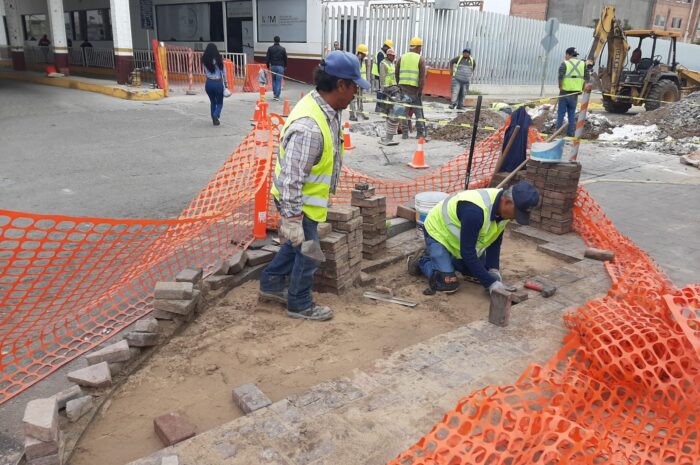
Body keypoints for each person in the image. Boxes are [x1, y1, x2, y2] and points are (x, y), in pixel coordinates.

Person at [259, 51, 370, 321]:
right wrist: (292, 218)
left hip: (306, 198)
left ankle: (272, 283)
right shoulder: (309, 127)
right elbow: (291, 177)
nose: (356, 93)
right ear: (341, 85)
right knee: (309, 253)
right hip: (297, 200)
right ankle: (299, 303)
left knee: (296, 245)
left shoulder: (326, 108)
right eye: (354, 86)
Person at [407, 181, 540, 294]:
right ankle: (423, 260)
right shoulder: (475, 212)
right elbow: (468, 253)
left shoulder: (503, 210)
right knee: (447, 283)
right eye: (516, 214)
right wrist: (490, 283)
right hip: (438, 233)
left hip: (460, 240)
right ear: (506, 202)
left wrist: (493, 270)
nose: (514, 218)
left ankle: (447, 259)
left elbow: (495, 241)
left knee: (478, 275)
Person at [395, 37, 427, 140]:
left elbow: (396, 73)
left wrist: (399, 85)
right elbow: (422, 78)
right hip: (415, 91)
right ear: (417, 47)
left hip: (403, 89)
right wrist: (420, 91)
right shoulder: (420, 59)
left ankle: (405, 134)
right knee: (418, 113)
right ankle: (420, 134)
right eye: (420, 47)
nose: (421, 49)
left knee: (404, 113)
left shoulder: (402, 57)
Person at [557, 47, 588, 137]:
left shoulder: (565, 63)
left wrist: (560, 87)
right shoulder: (582, 64)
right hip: (575, 93)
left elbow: (560, 76)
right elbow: (586, 77)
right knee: (571, 113)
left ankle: (558, 133)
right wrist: (582, 88)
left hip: (564, 92)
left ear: (568, 54)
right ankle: (570, 133)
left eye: (566, 55)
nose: (565, 57)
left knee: (561, 113)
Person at [378, 48, 406, 146]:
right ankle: (388, 134)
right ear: (388, 55)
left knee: (395, 110)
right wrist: (383, 88)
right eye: (392, 56)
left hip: (394, 87)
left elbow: (394, 75)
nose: (394, 57)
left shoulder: (392, 63)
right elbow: (382, 76)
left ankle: (391, 134)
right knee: (392, 110)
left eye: (394, 56)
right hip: (388, 88)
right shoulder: (383, 63)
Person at [201, 43, 227, 126]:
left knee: (213, 102)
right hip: (218, 83)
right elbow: (224, 72)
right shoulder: (219, 59)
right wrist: (226, 83)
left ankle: (214, 118)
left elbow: (205, 71)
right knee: (219, 102)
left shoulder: (204, 60)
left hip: (208, 83)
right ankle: (216, 115)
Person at [371, 39, 393, 113]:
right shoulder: (381, 54)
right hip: (378, 76)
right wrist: (382, 77)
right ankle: (379, 107)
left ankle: (380, 106)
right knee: (380, 92)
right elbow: (380, 67)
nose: (389, 50)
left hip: (380, 75)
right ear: (386, 47)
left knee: (382, 91)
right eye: (389, 48)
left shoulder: (382, 53)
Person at [349, 44, 369, 121]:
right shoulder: (353, 61)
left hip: (361, 84)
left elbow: (363, 73)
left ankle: (360, 113)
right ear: (360, 53)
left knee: (360, 99)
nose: (365, 56)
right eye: (364, 54)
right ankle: (352, 115)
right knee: (353, 99)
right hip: (354, 84)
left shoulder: (362, 61)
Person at [266, 36, 287, 101]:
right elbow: (285, 58)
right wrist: (285, 66)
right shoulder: (283, 49)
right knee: (278, 81)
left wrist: (268, 66)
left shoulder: (270, 48)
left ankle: (275, 94)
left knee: (274, 81)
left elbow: (267, 58)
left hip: (273, 66)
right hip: (280, 67)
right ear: (279, 41)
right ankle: (277, 96)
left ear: (274, 40)